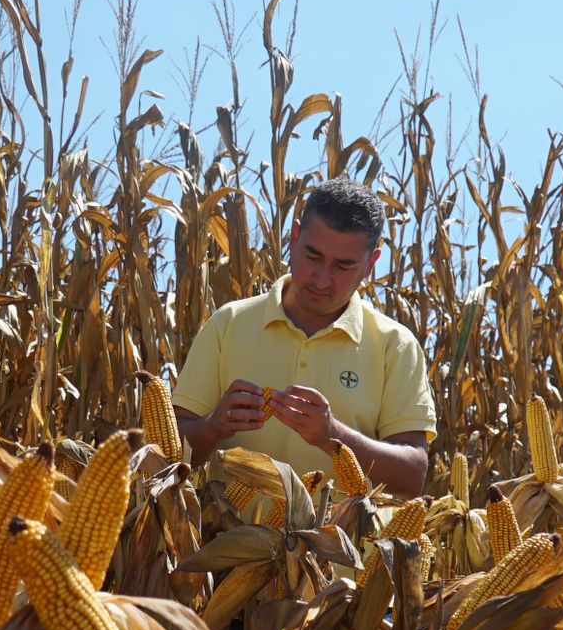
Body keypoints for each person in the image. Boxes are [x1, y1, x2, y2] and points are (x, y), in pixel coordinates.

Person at [170, 178, 434, 499]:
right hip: (228, 543)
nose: (322, 279)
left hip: (341, 548)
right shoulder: (229, 324)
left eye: (343, 266)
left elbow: (412, 476)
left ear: (370, 264)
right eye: (313, 255)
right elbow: (167, 452)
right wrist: (214, 427)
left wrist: (332, 435)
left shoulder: (395, 345)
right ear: (294, 238)